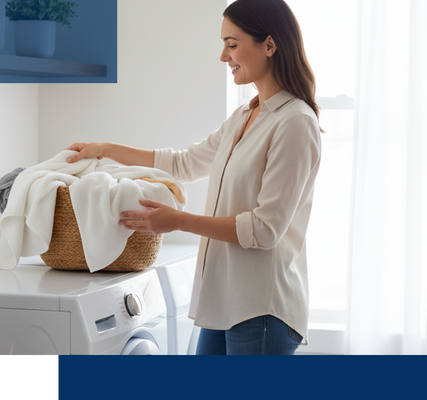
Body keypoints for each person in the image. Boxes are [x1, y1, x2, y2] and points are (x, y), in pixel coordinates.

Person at [65, 0, 321, 355]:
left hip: (263, 308)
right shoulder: (244, 116)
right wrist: (105, 149)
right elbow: (183, 163)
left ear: (270, 45)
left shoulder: (294, 122)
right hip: (224, 301)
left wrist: (177, 221)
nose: (223, 56)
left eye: (232, 44)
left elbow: (264, 229)